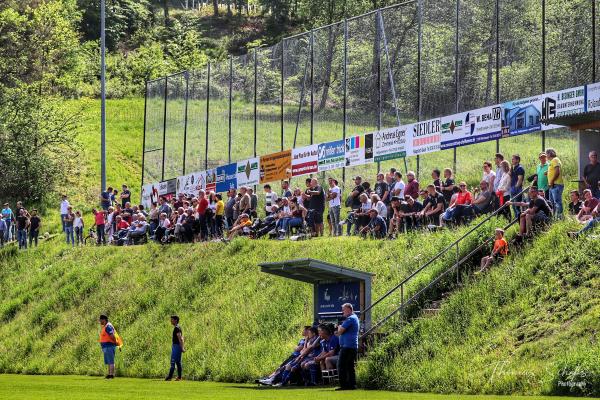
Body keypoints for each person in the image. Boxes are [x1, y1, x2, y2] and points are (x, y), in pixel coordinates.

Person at [336, 303, 359, 391]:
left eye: (343, 309)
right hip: (351, 346)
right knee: (349, 366)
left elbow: (340, 331)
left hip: (348, 347)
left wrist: (339, 327)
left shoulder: (350, 318)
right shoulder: (354, 318)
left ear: (349, 309)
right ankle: (352, 385)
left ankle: (344, 385)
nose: (342, 312)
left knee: (341, 365)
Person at [166, 315, 185, 381]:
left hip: (176, 346)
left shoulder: (177, 328)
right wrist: (182, 347)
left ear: (176, 320)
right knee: (178, 362)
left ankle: (169, 377)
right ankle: (179, 377)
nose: (171, 321)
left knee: (173, 361)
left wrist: (182, 347)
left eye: (172, 320)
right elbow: (182, 338)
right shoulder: (178, 327)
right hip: (177, 346)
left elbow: (180, 338)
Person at [545, 148, 564, 217]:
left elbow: (557, 172)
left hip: (556, 184)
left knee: (557, 202)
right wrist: (548, 172)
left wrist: (552, 182)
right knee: (552, 202)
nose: (546, 156)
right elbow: (554, 170)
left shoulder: (555, 159)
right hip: (552, 185)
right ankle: (553, 217)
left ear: (550, 154)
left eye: (546, 154)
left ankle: (560, 217)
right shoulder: (552, 161)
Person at [98, 315, 117, 379]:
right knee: (109, 361)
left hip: (109, 346)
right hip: (106, 346)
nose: (100, 321)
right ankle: (109, 374)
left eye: (101, 320)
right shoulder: (105, 326)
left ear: (104, 320)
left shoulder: (108, 326)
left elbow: (112, 336)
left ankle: (111, 375)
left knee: (111, 361)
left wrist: (115, 342)